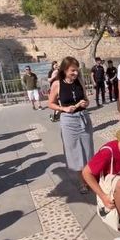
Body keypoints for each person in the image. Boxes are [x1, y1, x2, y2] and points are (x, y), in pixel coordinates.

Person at [48, 56, 93, 194]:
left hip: (83, 118)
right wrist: (64, 109)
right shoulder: (57, 84)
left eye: (77, 70)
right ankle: (82, 182)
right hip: (68, 121)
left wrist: (85, 103)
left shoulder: (79, 80)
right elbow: (50, 103)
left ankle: (90, 177)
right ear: (65, 70)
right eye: (72, 71)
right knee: (75, 152)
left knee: (88, 151)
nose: (75, 73)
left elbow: (86, 98)